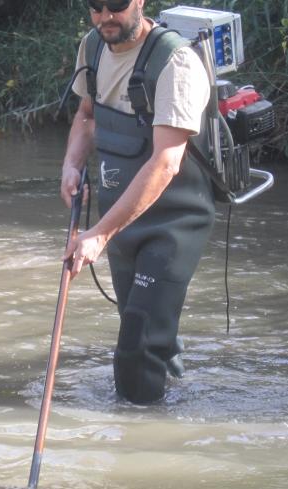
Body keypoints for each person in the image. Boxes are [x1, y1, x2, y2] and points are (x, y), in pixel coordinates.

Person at [59, 0, 213, 403]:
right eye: (96, 5)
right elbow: (88, 115)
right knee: (149, 334)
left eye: (117, 5)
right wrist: (72, 165)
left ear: (140, 2)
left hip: (174, 223)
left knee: (137, 347)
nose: (106, 16)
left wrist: (98, 234)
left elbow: (166, 162)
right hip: (119, 221)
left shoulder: (175, 63)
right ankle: (174, 411)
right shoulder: (92, 47)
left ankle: (136, 451)